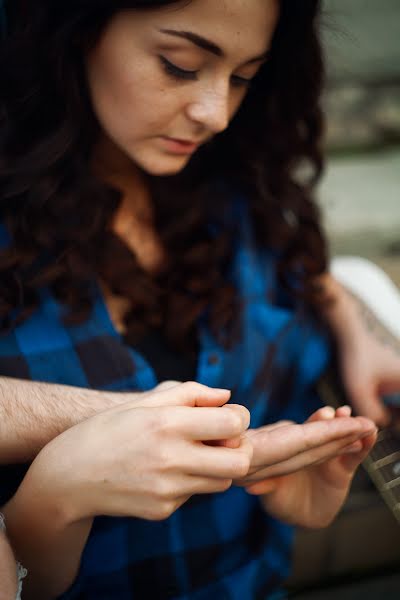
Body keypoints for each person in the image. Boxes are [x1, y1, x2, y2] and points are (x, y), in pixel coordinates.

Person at [0, 0, 398, 598]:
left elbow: (306, 277)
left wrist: (353, 317)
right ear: (74, 33)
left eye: (243, 78)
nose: (216, 113)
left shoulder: (243, 195)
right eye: (180, 65)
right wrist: (69, 482)